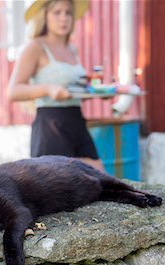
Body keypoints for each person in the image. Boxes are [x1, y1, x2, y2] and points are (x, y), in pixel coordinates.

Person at [8, 0, 104, 171]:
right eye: (57, 12)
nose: (64, 18)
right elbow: (13, 91)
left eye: (68, 13)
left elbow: (72, 90)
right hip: (50, 127)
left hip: (76, 122)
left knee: (98, 176)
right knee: (61, 188)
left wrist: (97, 92)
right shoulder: (36, 47)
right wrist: (48, 89)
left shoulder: (72, 49)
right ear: (44, 15)